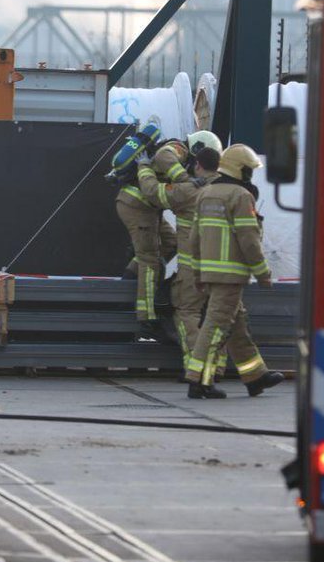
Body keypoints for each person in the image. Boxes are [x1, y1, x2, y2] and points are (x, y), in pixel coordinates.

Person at [185, 144, 286, 399]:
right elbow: (249, 240)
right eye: (249, 171)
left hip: (210, 274)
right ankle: (199, 381)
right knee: (216, 326)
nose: (251, 176)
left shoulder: (205, 194)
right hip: (231, 275)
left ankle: (255, 376)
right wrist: (263, 273)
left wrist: (197, 274)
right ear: (239, 170)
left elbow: (194, 239)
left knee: (237, 325)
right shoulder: (240, 197)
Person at [137, 138, 222, 370]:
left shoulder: (187, 191)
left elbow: (153, 193)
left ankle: (196, 368)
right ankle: (217, 368)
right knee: (220, 319)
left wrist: (144, 166)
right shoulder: (231, 192)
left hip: (193, 271)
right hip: (224, 271)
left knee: (186, 313)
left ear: (197, 165)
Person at [111, 126, 177, 343]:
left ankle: (131, 278)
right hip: (137, 205)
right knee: (150, 260)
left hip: (148, 207)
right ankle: (147, 318)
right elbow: (155, 191)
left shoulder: (173, 154)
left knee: (170, 242)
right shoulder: (172, 159)